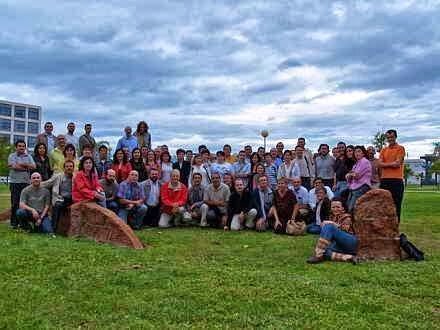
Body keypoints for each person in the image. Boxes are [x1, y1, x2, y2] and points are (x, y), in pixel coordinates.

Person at [307, 199, 357, 264]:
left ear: (343, 208)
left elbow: (345, 230)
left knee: (328, 226)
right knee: (325, 251)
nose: (335, 209)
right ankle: (348, 257)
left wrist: (331, 223)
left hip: (351, 242)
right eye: (333, 207)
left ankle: (318, 255)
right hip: (340, 245)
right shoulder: (331, 216)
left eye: (338, 207)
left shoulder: (347, 217)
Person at [8, 140, 36, 228]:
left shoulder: (29, 156)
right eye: (20, 146)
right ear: (16, 147)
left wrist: (22, 164)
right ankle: (14, 223)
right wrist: (27, 167)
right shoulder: (11, 156)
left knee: (25, 203)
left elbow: (34, 166)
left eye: (23, 146)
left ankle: (23, 222)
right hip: (15, 183)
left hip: (26, 183)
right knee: (15, 203)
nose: (21, 148)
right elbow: (13, 166)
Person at [41, 160, 75, 231]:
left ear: (73, 168)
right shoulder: (58, 176)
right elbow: (47, 183)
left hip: (72, 199)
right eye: (67, 166)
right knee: (57, 205)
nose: (69, 168)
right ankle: (53, 229)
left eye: (71, 166)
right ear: (64, 168)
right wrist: (36, 183)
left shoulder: (75, 177)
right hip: (61, 199)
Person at [346, 146, 372, 212]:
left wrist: (350, 175)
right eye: (355, 152)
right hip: (354, 188)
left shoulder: (365, 161)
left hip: (362, 187)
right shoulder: (356, 164)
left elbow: (357, 176)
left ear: (363, 153)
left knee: (352, 208)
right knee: (348, 207)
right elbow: (350, 177)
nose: (357, 153)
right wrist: (350, 175)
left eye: (359, 151)